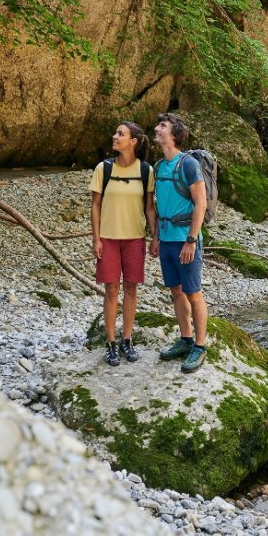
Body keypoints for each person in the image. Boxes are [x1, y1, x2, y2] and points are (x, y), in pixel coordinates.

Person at [89, 122, 156, 366]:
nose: (114, 136)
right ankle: (110, 343)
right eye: (115, 132)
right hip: (108, 238)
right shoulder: (103, 169)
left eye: (120, 134)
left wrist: (155, 236)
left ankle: (127, 340)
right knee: (111, 290)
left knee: (131, 289)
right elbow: (95, 205)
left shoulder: (146, 171)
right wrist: (95, 238)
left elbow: (149, 207)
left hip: (134, 238)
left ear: (133, 141)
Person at [150, 113, 209, 373]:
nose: (156, 128)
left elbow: (201, 204)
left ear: (174, 134)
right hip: (166, 241)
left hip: (186, 240)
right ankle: (185, 339)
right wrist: (155, 237)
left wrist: (191, 240)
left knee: (193, 293)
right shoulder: (158, 166)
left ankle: (200, 346)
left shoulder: (188, 165)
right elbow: (157, 205)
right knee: (175, 291)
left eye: (162, 126)